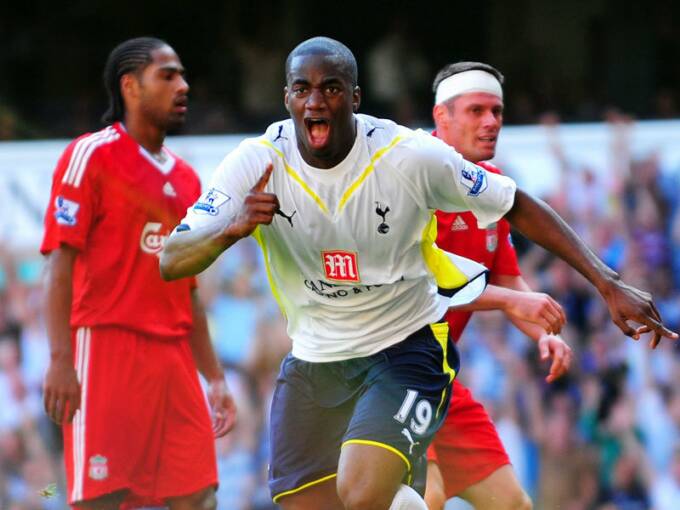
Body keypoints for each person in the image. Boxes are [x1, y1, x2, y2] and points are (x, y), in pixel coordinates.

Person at [160, 37, 676, 510]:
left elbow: (517, 204)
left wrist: (607, 282)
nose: (316, 101)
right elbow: (172, 259)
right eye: (303, 89)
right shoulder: (258, 162)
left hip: (405, 350)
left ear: (356, 97)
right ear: (288, 98)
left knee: (368, 492)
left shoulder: (409, 157)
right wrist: (231, 231)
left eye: (331, 89)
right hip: (316, 358)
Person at [40, 37, 236, 510]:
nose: (183, 85)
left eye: (183, 75)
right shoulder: (91, 156)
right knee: (103, 500)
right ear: (130, 86)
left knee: (200, 497)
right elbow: (58, 265)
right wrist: (61, 359)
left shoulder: (188, 179)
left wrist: (215, 378)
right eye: (167, 75)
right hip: (106, 348)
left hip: (173, 359)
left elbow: (188, 290)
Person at [423, 61, 572, 510]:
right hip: (387, 368)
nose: (491, 122)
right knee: (425, 499)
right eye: (476, 111)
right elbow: (422, 291)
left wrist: (544, 331)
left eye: (497, 111)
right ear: (441, 117)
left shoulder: (493, 185)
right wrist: (516, 301)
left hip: (438, 378)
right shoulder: (411, 178)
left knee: (512, 504)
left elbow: (506, 274)